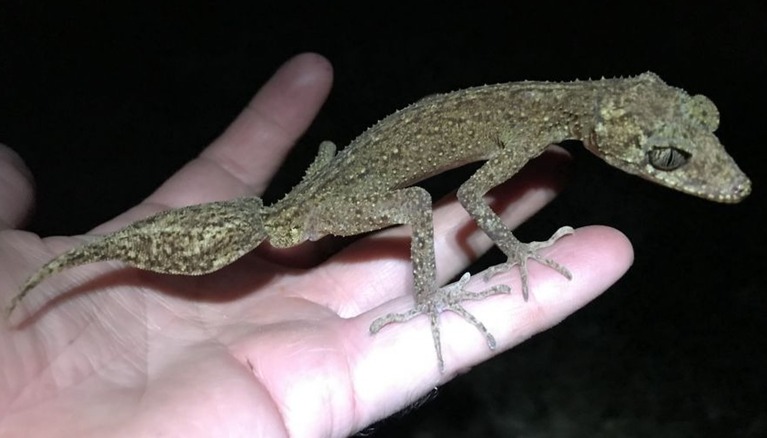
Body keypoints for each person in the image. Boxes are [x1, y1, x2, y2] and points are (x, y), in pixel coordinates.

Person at [0, 53, 632, 437]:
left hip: (329, 188)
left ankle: (79, 261)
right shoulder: (536, 121)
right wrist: (509, 255)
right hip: (323, 203)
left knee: (350, 196)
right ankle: (426, 302)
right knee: (413, 203)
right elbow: (460, 201)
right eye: (661, 155)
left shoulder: (539, 112)